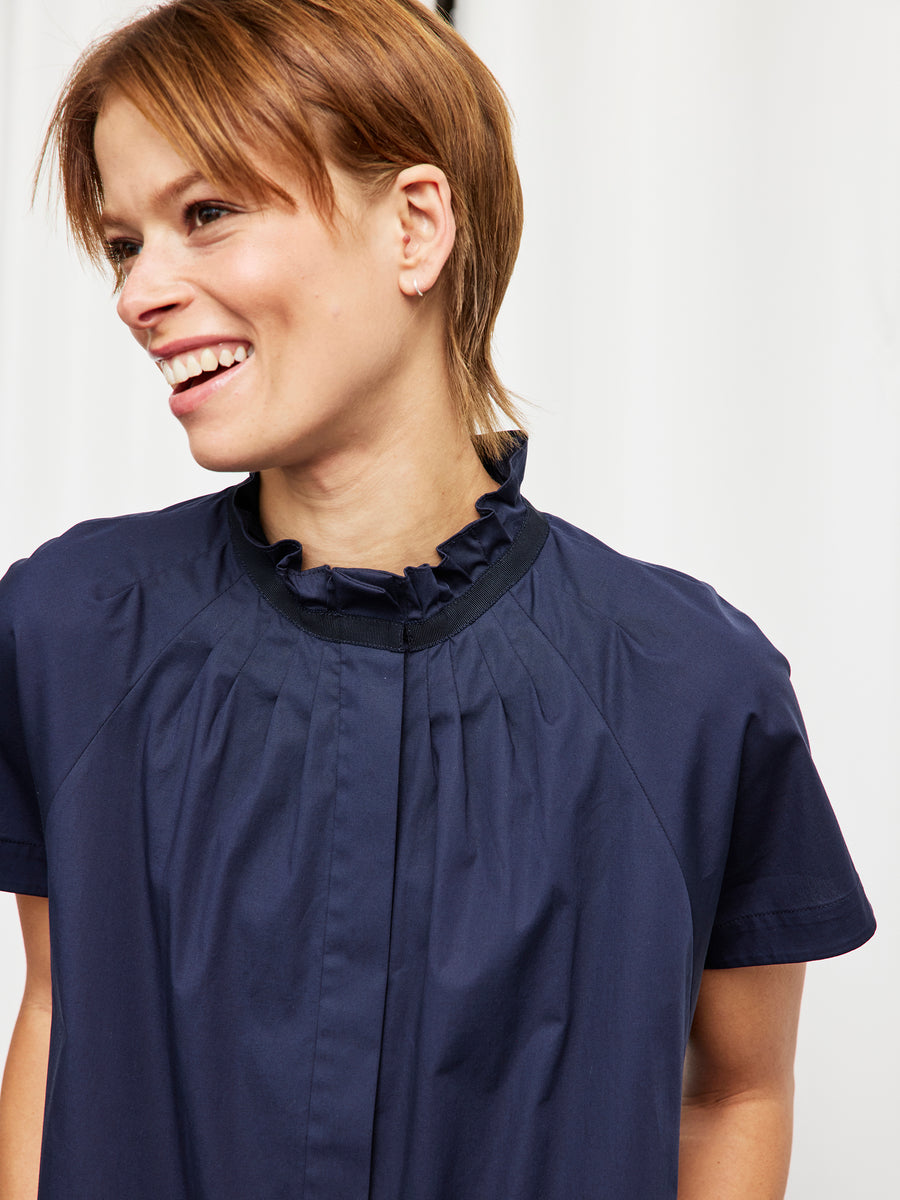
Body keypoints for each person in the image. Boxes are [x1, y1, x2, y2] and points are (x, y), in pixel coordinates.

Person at [0, 1, 875, 1197]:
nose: (138, 294)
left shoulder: (690, 685)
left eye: (205, 215)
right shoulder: (65, 633)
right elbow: (57, 1011)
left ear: (416, 226)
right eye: (122, 242)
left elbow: (734, 1090)